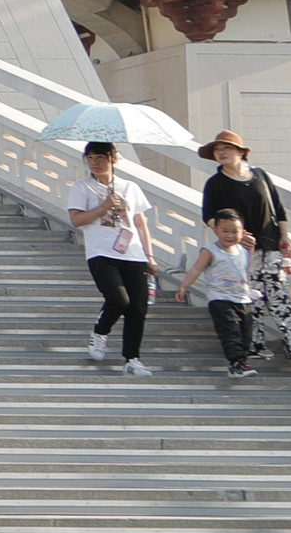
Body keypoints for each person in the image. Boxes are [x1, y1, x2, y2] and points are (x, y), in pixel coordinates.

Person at [197, 132, 291, 368]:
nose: (222, 152)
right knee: (251, 299)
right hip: (240, 251)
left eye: (227, 148)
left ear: (241, 152)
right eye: (218, 149)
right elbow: (209, 217)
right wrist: (235, 236)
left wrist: (285, 238)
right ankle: (254, 345)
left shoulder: (260, 175)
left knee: (279, 296)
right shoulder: (216, 183)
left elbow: (278, 209)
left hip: (271, 246)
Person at [71, 141, 155, 375]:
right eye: (90, 158)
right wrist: (104, 206)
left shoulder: (129, 187)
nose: (95, 162)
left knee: (138, 309)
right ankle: (100, 331)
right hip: (101, 253)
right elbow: (77, 220)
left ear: (113, 159)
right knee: (119, 300)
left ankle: (132, 359)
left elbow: (140, 223)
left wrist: (150, 256)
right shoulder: (82, 187)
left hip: (134, 253)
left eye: (101, 157)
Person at [174, 207, 265, 377]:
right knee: (230, 331)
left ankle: (241, 363)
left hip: (243, 298)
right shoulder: (210, 250)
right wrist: (184, 286)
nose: (230, 235)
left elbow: (246, 268)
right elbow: (196, 269)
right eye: (225, 231)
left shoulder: (242, 250)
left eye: (235, 231)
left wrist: (251, 249)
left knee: (246, 335)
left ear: (242, 232)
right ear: (216, 230)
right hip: (220, 298)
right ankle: (237, 363)